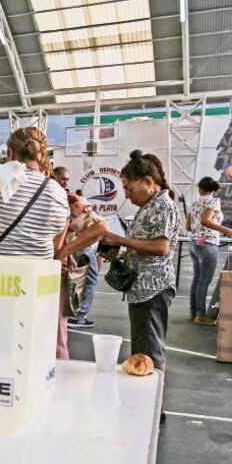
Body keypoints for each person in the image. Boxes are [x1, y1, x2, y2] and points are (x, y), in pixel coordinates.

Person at [100, 150, 181, 371]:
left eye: (129, 188)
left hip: (152, 289)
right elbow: (143, 245)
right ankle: (147, 400)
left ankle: (153, 403)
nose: (127, 195)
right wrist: (118, 252)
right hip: (143, 289)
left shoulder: (163, 206)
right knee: (143, 348)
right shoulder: (150, 206)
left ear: (148, 181)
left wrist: (120, 239)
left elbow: (161, 247)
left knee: (149, 352)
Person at [0, 127, 70, 258]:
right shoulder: (58, 192)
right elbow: (56, 245)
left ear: (10, 152)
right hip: (37, 273)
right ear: (41, 154)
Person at [54, 193, 108, 357]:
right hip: (52, 274)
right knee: (58, 338)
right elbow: (101, 227)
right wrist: (64, 253)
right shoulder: (61, 209)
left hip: (44, 271)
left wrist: (65, 253)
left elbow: (100, 227)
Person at [186, 176, 232, 325]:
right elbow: (205, 220)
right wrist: (227, 230)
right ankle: (200, 315)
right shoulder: (213, 201)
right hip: (208, 243)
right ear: (214, 190)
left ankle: (193, 312)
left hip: (194, 243)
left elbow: (189, 227)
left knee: (197, 280)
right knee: (204, 281)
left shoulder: (194, 203)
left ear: (200, 189)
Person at [66, 193, 105, 329]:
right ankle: (79, 316)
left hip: (78, 247)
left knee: (77, 281)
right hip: (83, 248)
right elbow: (99, 224)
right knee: (90, 282)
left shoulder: (68, 208)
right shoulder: (78, 208)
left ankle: (73, 314)